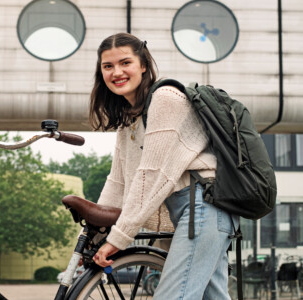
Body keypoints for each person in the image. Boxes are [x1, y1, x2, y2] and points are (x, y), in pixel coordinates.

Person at [89, 32, 238, 300]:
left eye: (125, 63)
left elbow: (152, 175)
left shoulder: (166, 99)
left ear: (143, 65)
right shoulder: (129, 119)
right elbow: (118, 182)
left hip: (203, 207)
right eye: (108, 66)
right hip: (191, 212)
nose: (116, 72)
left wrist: (118, 238)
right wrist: (92, 239)